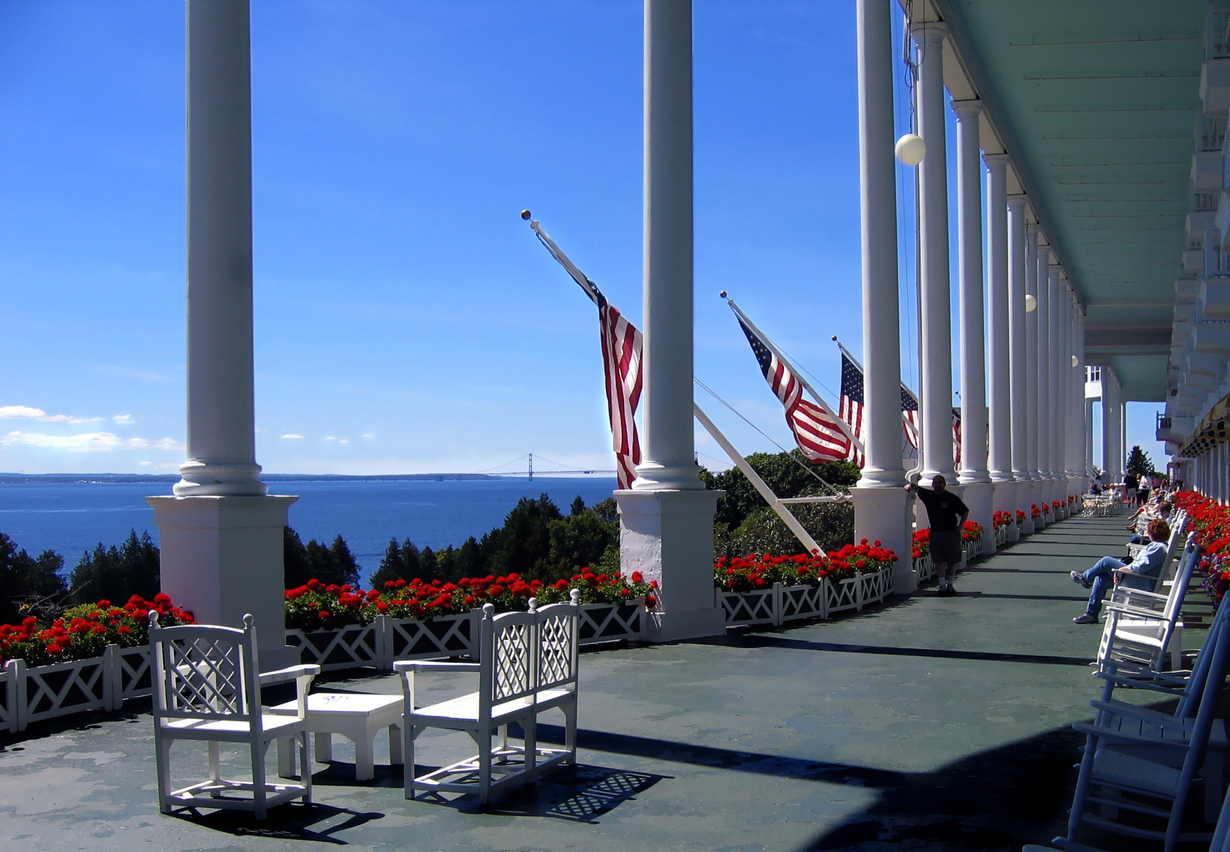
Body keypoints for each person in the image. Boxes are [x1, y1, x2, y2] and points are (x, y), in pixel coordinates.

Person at [1069, 518, 1171, 624]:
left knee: (1106, 561)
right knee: (1101, 579)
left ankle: (1086, 578)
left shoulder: (1158, 548)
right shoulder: (1159, 546)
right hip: (1139, 579)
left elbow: (1139, 568)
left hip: (1141, 581)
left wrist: (1122, 569)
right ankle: (1091, 614)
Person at [904, 475, 969, 597]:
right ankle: (941, 586)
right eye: (935, 482)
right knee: (939, 561)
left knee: (951, 561)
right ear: (933, 485)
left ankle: (950, 585)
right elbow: (916, 488)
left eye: (940, 482)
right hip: (935, 533)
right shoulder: (929, 496)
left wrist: (960, 526)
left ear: (944, 484)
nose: (937, 484)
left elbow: (965, 511)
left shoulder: (951, 498)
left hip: (950, 533)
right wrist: (909, 486)